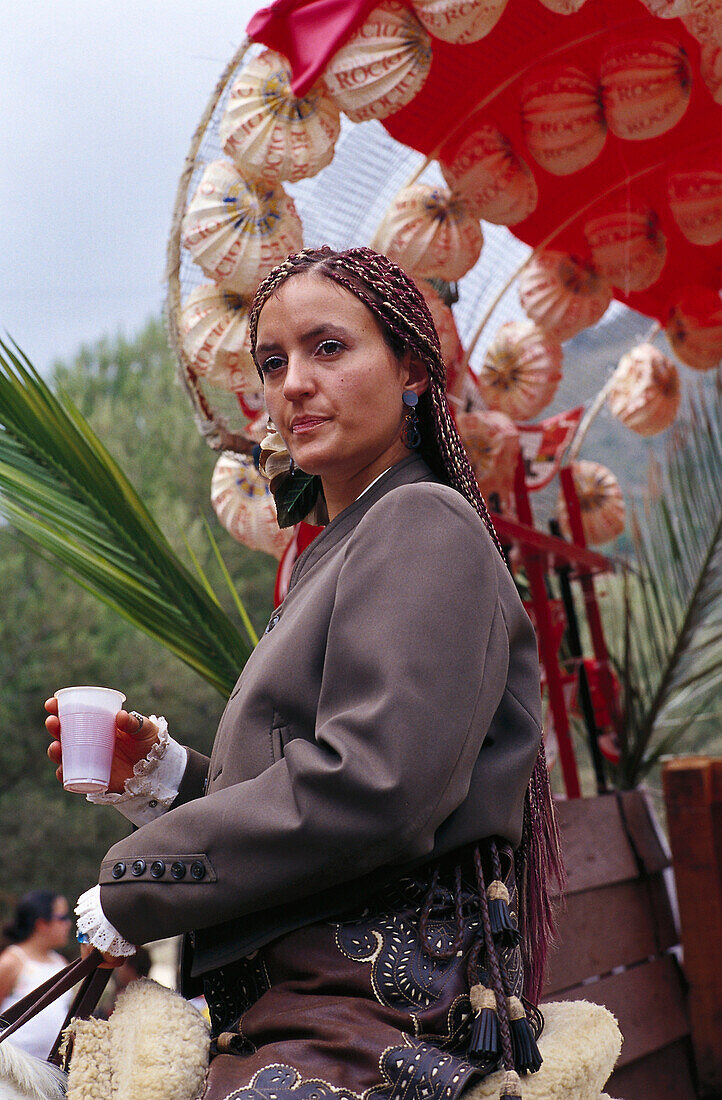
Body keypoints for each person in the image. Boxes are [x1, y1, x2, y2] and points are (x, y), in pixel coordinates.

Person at [45, 247, 561, 1100]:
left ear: (410, 371)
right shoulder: (350, 542)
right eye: (273, 363)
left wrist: (135, 881)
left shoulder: (422, 521)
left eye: (328, 349)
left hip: (371, 1016)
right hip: (307, 1005)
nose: (293, 386)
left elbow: (376, 786)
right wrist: (167, 778)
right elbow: (311, 788)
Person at [0, 891, 73, 1059]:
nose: (68, 924)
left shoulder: (60, 962)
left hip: (52, 1070)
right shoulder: (11, 961)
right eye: (62, 918)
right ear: (41, 924)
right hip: (13, 1072)